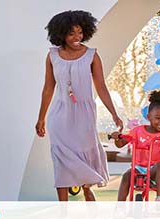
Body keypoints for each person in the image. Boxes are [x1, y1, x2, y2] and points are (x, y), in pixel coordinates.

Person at [35, 10, 123, 201]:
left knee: (85, 153)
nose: (77, 37)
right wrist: (41, 118)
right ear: (61, 34)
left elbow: (101, 87)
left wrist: (114, 114)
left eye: (80, 32)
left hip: (84, 115)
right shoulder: (52, 56)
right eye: (71, 33)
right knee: (60, 159)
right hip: (59, 115)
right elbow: (48, 89)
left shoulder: (91, 56)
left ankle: (86, 187)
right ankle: (63, 212)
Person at [110, 89, 160, 201]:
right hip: (137, 169)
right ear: (148, 117)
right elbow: (120, 144)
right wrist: (117, 138)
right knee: (126, 176)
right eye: (158, 118)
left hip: (153, 170)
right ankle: (120, 207)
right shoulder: (137, 131)